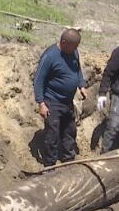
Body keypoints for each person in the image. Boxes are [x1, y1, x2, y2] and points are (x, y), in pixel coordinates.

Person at [33, 29, 88, 167]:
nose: (76, 49)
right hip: (52, 101)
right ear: (64, 43)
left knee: (69, 130)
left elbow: (77, 69)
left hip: (67, 101)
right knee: (52, 133)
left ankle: (68, 159)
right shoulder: (49, 56)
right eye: (73, 46)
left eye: (77, 47)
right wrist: (41, 103)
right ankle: (50, 164)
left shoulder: (73, 51)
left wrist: (81, 85)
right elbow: (38, 80)